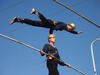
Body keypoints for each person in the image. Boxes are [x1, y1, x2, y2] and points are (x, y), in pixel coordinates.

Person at [10, 8, 83, 34]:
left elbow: (70, 31)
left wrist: (76, 33)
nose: (69, 29)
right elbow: (54, 28)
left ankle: (17, 20)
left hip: (47, 25)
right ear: (69, 25)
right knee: (43, 19)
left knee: (33, 23)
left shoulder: (65, 28)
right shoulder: (63, 25)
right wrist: (51, 33)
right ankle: (35, 11)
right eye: (71, 28)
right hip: (50, 24)